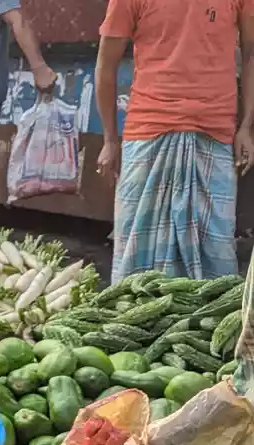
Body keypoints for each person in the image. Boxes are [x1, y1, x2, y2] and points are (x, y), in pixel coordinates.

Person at [96, 0, 251, 282]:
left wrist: (246, 128)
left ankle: (211, 324)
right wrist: (110, 140)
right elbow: (106, 63)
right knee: (134, 258)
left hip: (214, 133)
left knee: (215, 265)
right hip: (147, 133)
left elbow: (252, 54)